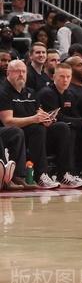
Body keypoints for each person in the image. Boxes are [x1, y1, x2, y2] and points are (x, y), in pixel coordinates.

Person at [0, 58, 67, 189]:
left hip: (29, 130)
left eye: (23, 71)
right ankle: (25, 175)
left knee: (60, 127)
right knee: (23, 131)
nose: (21, 74)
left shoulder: (30, 92)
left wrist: (46, 119)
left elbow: (38, 113)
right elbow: (7, 122)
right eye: (17, 71)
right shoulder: (3, 92)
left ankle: (60, 174)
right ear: (8, 73)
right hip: (10, 131)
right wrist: (34, 119)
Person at [35, 61, 82, 187]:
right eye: (62, 76)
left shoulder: (69, 94)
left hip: (63, 132)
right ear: (54, 77)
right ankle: (63, 173)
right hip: (46, 134)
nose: (65, 80)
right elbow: (58, 118)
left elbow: (75, 116)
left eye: (68, 77)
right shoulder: (47, 93)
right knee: (64, 127)